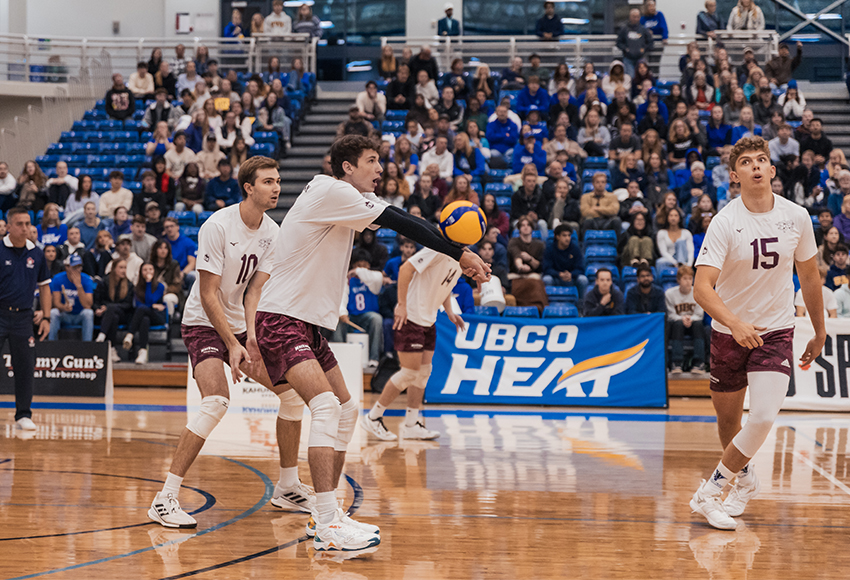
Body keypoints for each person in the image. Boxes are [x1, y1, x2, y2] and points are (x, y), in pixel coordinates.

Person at [243, 135, 488, 551]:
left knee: (346, 407)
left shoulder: (343, 199)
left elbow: (400, 220)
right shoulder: (329, 189)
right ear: (346, 168)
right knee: (323, 405)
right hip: (281, 316)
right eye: (372, 161)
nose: (380, 169)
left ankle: (330, 513)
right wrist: (459, 251)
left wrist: (454, 250)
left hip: (306, 324)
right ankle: (325, 523)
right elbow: (400, 220)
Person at [148, 155, 314, 527]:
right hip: (203, 323)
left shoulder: (273, 232)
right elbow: (208, 295)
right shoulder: (218, 225)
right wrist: (232, 341)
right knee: (216, 402)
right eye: (268, 182)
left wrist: (252, 336)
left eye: (278, 180)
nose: (276, 187)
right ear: (248, 187)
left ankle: (287, 488)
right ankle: (165, 498)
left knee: (291, 395)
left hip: (240, 326)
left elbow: (255, 290)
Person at [689, 136, 824, 530]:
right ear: (735, 175)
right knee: (730, 424)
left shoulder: (797, 216)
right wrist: (734, 323)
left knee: (762, 416)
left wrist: (818, 330)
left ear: (773, 170)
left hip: (776, 330)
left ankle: (710, 492)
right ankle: (744, 479)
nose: (757, 167)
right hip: (728, 333)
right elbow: (701, 288)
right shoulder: (724, 222)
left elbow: (810, 276)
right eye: (747, 162)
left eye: (762, 160)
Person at [362, 236, 465, 441]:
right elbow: (405, 270)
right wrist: (401, 304)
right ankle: (373, 417)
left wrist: (450, 312)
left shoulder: (461, 260)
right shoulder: (436, 249)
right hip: (412, 317)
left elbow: (442, 287)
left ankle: (411, 424)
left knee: (424, 372)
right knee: (409, 373)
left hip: (429, 320)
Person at [0, 207, 51, 430]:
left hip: (23, 318)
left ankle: (23, 414)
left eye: (28, 224)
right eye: (19, 224)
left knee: (25, 366)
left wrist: (47, 316)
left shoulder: (37, 253)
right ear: (8, 226)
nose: (25, 228)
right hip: (0, 314)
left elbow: (45, 288)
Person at [333, 250, 384, 369]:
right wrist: (342, 313)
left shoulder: (373, 280)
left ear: (369, 266)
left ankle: (374, 359)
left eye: (364, 265)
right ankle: (338, 358)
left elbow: (378, 278)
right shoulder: (347, 280)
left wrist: (358, 271)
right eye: (358, 266)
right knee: (336, 321)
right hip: (350, 316)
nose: (361, 269)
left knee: (377, 319)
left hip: (366, 317)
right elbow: (342, 297)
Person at [122, 262, 165, 365]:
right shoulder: (137, 288)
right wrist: (151, 306)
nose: (148, 272)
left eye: (150, 269)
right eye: (145, 270)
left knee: (142, 310)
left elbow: (150, 300)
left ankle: (130, 334)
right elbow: (139, 305)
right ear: (141, 272)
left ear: (154, 272)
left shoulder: (160, 286)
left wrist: (149, 283)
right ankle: (142, 352)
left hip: (157, 316)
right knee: (144, 319)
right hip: (143, 316)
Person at [666, 265, 706, 374]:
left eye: (690, 278)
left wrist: (690, 319)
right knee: (677, 325)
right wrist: (682, 318)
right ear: (678, 280)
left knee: (698, 325)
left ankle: (699, 363)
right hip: (678, 324)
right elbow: (670, 314)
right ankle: (676, 363)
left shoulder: (697, 292)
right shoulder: (670, 294)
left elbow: (699, 314)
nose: (688, 282)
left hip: (693, 324)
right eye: (685, 278)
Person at [93, 257, 134, 361]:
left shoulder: (129, 285)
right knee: (113, 317)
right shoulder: (104, 282)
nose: (123, 270)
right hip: (106, 316)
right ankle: (112, 349)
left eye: (125, 267)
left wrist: (108, 307)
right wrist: (98, 309)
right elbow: (96, 301)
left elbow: (128, 305)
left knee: (112, 310)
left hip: (123, 314)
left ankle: (101, 337)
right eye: (121, 267)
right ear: (114, 268)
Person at [48, 253, 95, 342]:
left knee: (88, 313)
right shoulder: (58, 278)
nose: (77, 270)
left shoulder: (86, 279)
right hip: (65, 314)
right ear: (67, 267)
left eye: (79, 267)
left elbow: (88, 305)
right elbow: (56, 303)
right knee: (53, 313)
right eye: (74, 267)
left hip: (79, 314)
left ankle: (87, 345)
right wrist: (63, 307)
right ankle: (51, 344)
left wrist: (79, 286)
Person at [542, 224, 588, 297]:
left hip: (571, 278)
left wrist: (571, 274)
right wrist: (559, 274)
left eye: (569, 235)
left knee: (583, 280)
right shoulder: (549, 249)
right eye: (564, 235)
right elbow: (546, 268)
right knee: (547, 279)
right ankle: (548, 303)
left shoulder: (575, 249)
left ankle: (581, 304)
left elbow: (580, 268)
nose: (567, 238)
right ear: (557, 237)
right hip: (555, 278)